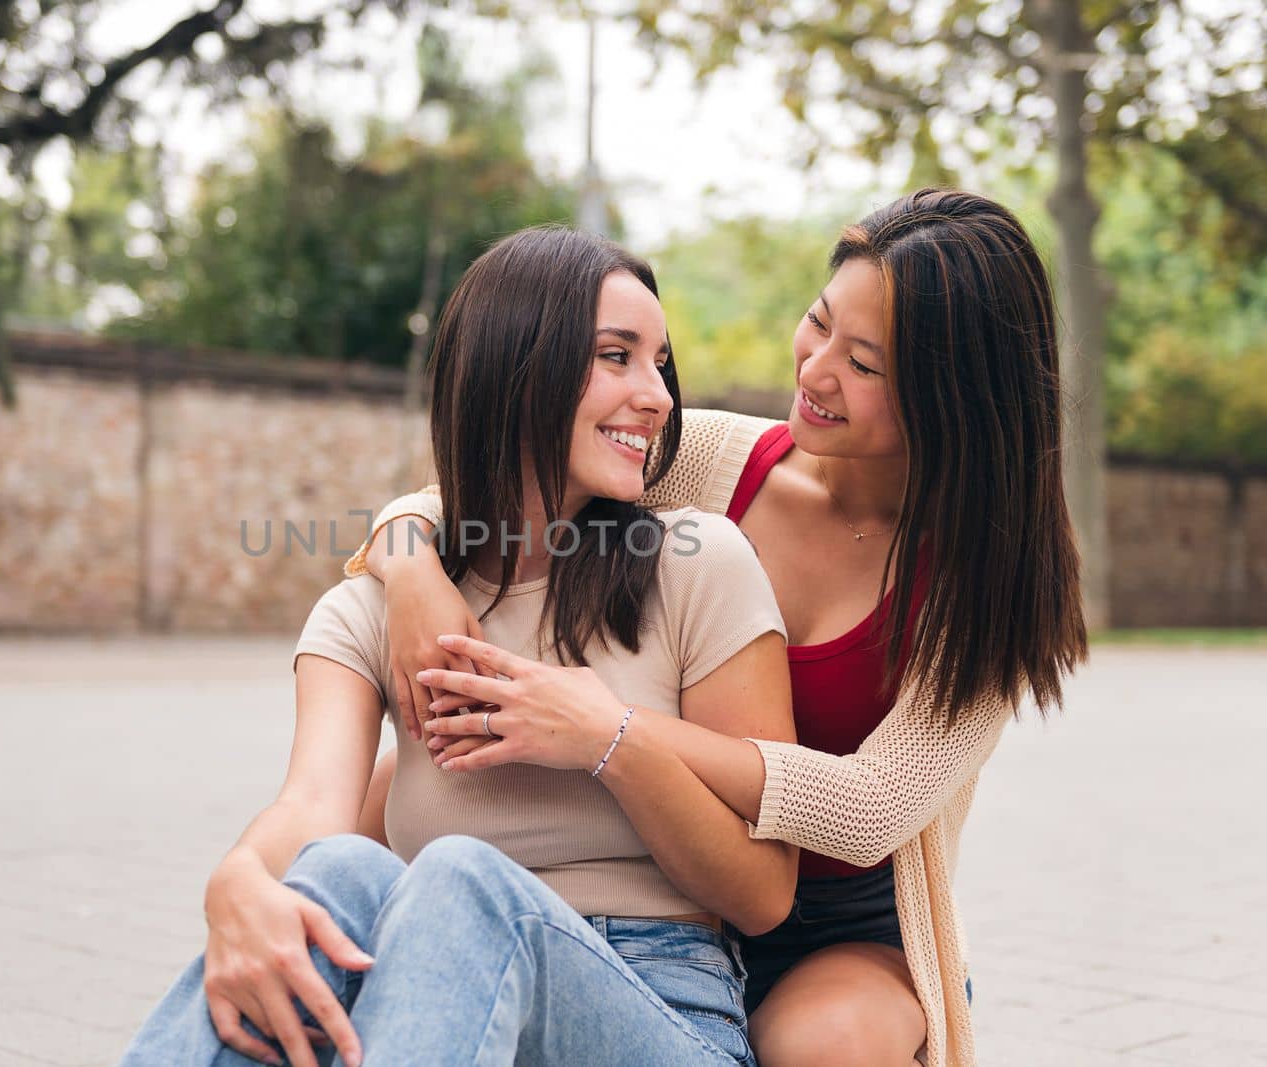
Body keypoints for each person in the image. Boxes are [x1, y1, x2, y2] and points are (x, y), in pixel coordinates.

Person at [343, 188, 1088, 1067]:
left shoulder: (987, 585)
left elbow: (864, 809)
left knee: (819, 1044)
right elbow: (481, 491)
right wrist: (407, 565)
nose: (815, 371)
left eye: (866, 363)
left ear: (954, 397)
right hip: (660, 873)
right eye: (818, 323)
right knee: (384, 794)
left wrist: (607, 728)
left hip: (835, 928)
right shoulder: (710, 458)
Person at [120, 225, 800, 1067]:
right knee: (331, 872)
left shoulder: (699, 566)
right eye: (616, 356)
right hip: (437, 1004)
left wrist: (609, 740)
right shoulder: (375, 606)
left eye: (658, 362)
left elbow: (767, 892)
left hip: (660, 1006)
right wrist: (236, 884)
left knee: (460, 879)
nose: (657, 394)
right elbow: (311, 807)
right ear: (517, 370)